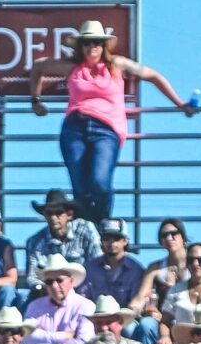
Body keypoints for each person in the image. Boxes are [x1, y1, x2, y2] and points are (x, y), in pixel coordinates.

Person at [28, 20, 190, 228]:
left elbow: (153, 76)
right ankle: (87, 232)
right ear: (80, 46)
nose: (91, 47)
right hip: (74, 127)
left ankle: (101, 224)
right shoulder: (73, 68)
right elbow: (39, 66)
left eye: (96, 42)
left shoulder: (116, 65)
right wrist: (35, 100)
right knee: (80, 186)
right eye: (86, 43)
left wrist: (179, 103)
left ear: (103, 45)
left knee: (99, 182)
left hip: (106, 129)